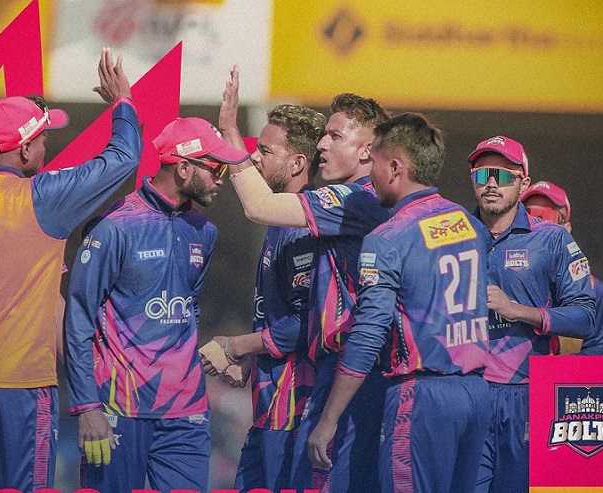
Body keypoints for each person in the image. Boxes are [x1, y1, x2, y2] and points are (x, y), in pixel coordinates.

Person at [0, 48, 142, 492]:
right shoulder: (41, 199)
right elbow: (123, 159)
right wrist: (123, 103)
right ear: (25, 148)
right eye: (43, 138)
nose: (47, 146)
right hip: (20, 387)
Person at [219, 66, 390, 492]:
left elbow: (259, 206)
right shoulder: (328, 209)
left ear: (367, 150)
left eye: (335, 136)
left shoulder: (354, 200)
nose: (322, 145)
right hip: (318, 374)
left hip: (337, 373)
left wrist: (230, 134)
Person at [306, 113, 492, 493]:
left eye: (373, 162)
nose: (370, 175)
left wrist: (328, 420)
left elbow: (368, 333)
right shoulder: (471, 225)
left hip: (422, 397)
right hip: (476, 394)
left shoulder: (387, 238)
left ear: (394, 168)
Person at [64, 115, 249, 493]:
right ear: (183, 168)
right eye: (216, 168)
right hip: (118, 409)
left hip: (187, 413)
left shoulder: (205, 231)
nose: (222, 179)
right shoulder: (113, 227)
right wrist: (86, 406)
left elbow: (188, 310)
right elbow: (78, 319)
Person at [201, 103, 325, 491]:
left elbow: (305, 324)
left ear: (297, 163)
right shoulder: (279, 220)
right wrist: (252, 360)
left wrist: (236, 345)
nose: (255, 157)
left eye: (265, 151)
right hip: (268, 400)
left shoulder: (303, 228)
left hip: (293, 407)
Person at [467, 136, 597, 493]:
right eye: (482, 175)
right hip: (467, 391)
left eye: (502, 176)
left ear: (523, 182)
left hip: (528, 395)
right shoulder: (455, 233)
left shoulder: (552, 239)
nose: (491, 184)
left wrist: (517, 310)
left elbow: (586, 317)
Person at [520, 181, 603, 355]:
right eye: (527, 215)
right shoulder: (497, 275)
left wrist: (561, 366)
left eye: (547, 216)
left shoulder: (592, 288)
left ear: (566, 228)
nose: (536, 224)